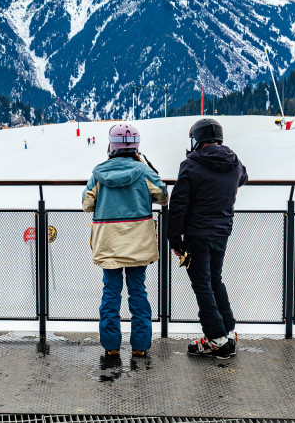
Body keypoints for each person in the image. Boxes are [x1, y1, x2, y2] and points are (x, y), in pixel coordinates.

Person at [82, 122, 168, 358]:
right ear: (136, 146)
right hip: (138, 242)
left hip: (108, 242)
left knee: (111, 292)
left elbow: (87, 204)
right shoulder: (144, 172)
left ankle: (111, 346)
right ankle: (140, 346)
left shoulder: (99, 173)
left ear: (111, 146)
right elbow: (163, 197)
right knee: (138, 292)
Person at [167, 118, 248, 359]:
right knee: (215, 281)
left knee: (203, 285)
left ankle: (216, 339)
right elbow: (243, 178)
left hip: (197, 234)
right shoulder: (234, 161)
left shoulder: (191, 165)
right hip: (222, 230)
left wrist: (174, 238)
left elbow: (178, 204)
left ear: (197, 139)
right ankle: (227, 333)